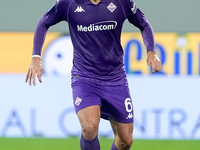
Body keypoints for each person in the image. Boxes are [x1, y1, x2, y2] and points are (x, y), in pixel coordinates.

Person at [25, 0, 161, 149]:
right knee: (89, 128)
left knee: (125, 141)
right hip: (84, 78)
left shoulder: (121, 2)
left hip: (116, 79)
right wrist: (36, 56)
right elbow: (44, 22)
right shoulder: (69, 3)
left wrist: (151, 51)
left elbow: (144, 23)